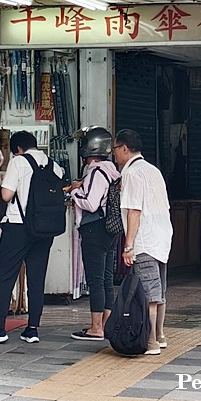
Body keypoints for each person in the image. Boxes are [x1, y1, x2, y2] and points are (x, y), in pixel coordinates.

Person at [0, 131, 65, 344]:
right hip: (44, 229)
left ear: (17, 149)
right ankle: (32, 329)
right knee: (36, 277)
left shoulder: (19, 162)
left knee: (4, 275)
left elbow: (6, 195)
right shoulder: (54, 166)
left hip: (18, 227)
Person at [114, 129, 173, 355]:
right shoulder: (153, 170)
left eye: (115, 149)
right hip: (162, 237)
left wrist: (128, 246)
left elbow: (134, 212)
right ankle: (159, 335)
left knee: (148, 292)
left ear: (125, 149)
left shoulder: (132, 173)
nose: (114, 155)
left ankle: (150, 342)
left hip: (145, 240)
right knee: (159, 291)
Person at [68, 126, 121, 341]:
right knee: (106, 278)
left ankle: (96, 327)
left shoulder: (96, 172)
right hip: (110, 230)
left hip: (95, 229)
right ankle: (106, 324)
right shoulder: (112, 170)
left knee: (96, 280)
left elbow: (90, 203)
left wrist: (73, 193)